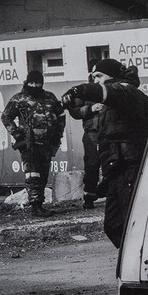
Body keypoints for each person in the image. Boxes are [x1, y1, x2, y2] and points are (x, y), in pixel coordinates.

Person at [63, 58, 148, 248]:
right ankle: (133, 257)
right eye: (93, 77)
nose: (95, 80)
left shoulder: (127, 92)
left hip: (131, 166)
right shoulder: (113, 100)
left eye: (99, 76)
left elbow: (106, 92)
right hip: (116, 169)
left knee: (134, 223)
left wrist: (80, 90)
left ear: (113, 76)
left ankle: (142, 264)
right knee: (113, 225)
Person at [1, 71, 66, 218]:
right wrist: (17, 134)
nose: (35, 86)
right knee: (33, 174)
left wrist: (57, 134)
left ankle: (40, 204)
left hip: (47, 143)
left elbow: (61, 116)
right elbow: (6, 117)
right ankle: (35, 206)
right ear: (27, 82)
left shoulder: (50, 97)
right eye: (32, 83)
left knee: (43, 174)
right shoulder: (19, 99)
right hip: (29, 144)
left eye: (38, 83)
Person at [66, 63, 103, 209]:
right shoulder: (84, 91)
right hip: (92, 133)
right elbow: (75, 111)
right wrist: (90, 108)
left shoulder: (110, 89)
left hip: (108, 132)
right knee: (92, 164)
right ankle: (89, 196)